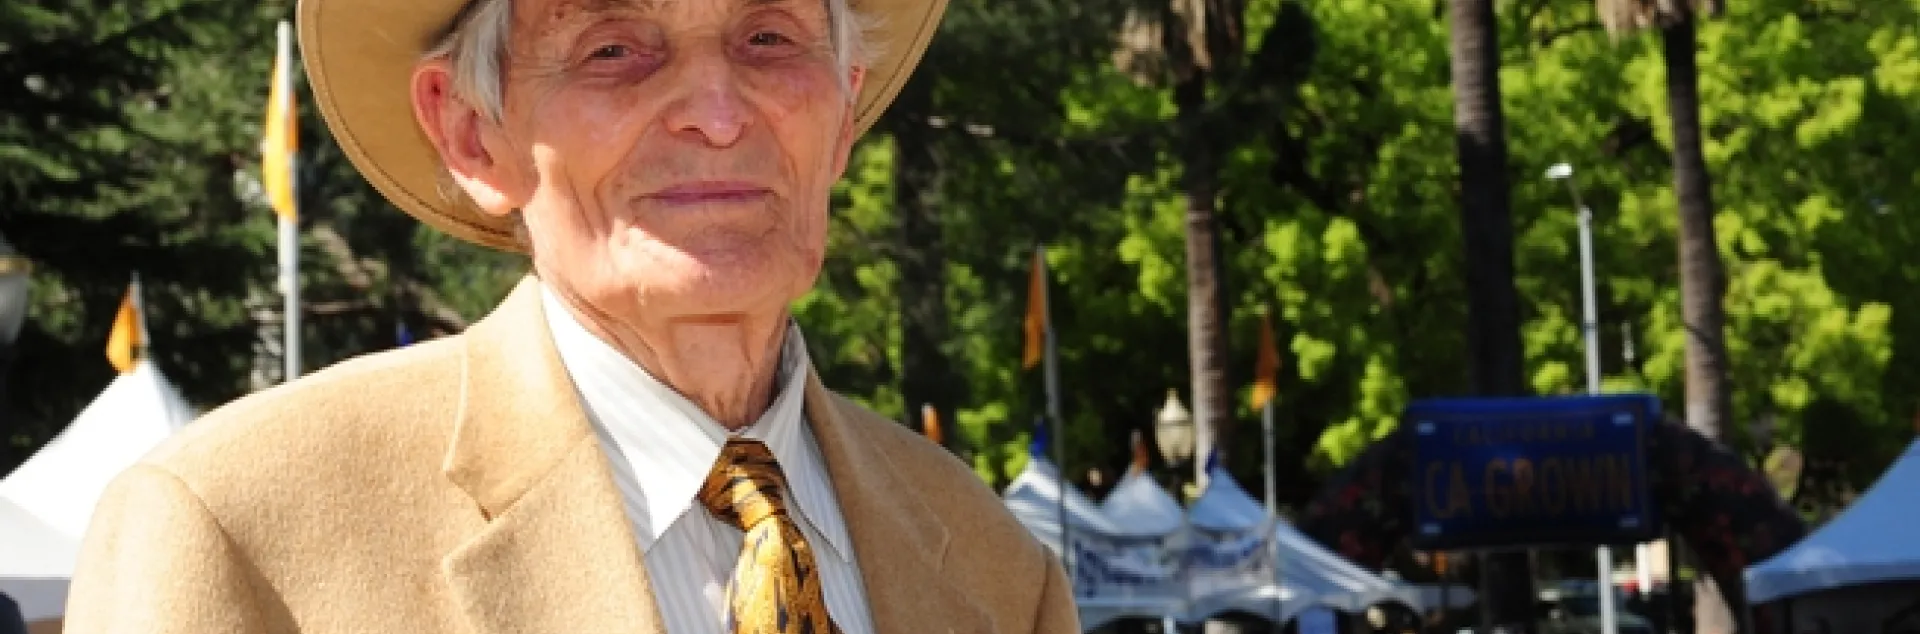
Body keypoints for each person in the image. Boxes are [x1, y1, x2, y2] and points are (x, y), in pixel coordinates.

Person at [63, 0, 1078, 631]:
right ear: (470, 132)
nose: (717, 112)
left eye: (768, 37)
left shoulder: (993, 564)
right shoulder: (234, 531)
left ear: (844, 109)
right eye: (614, 48)